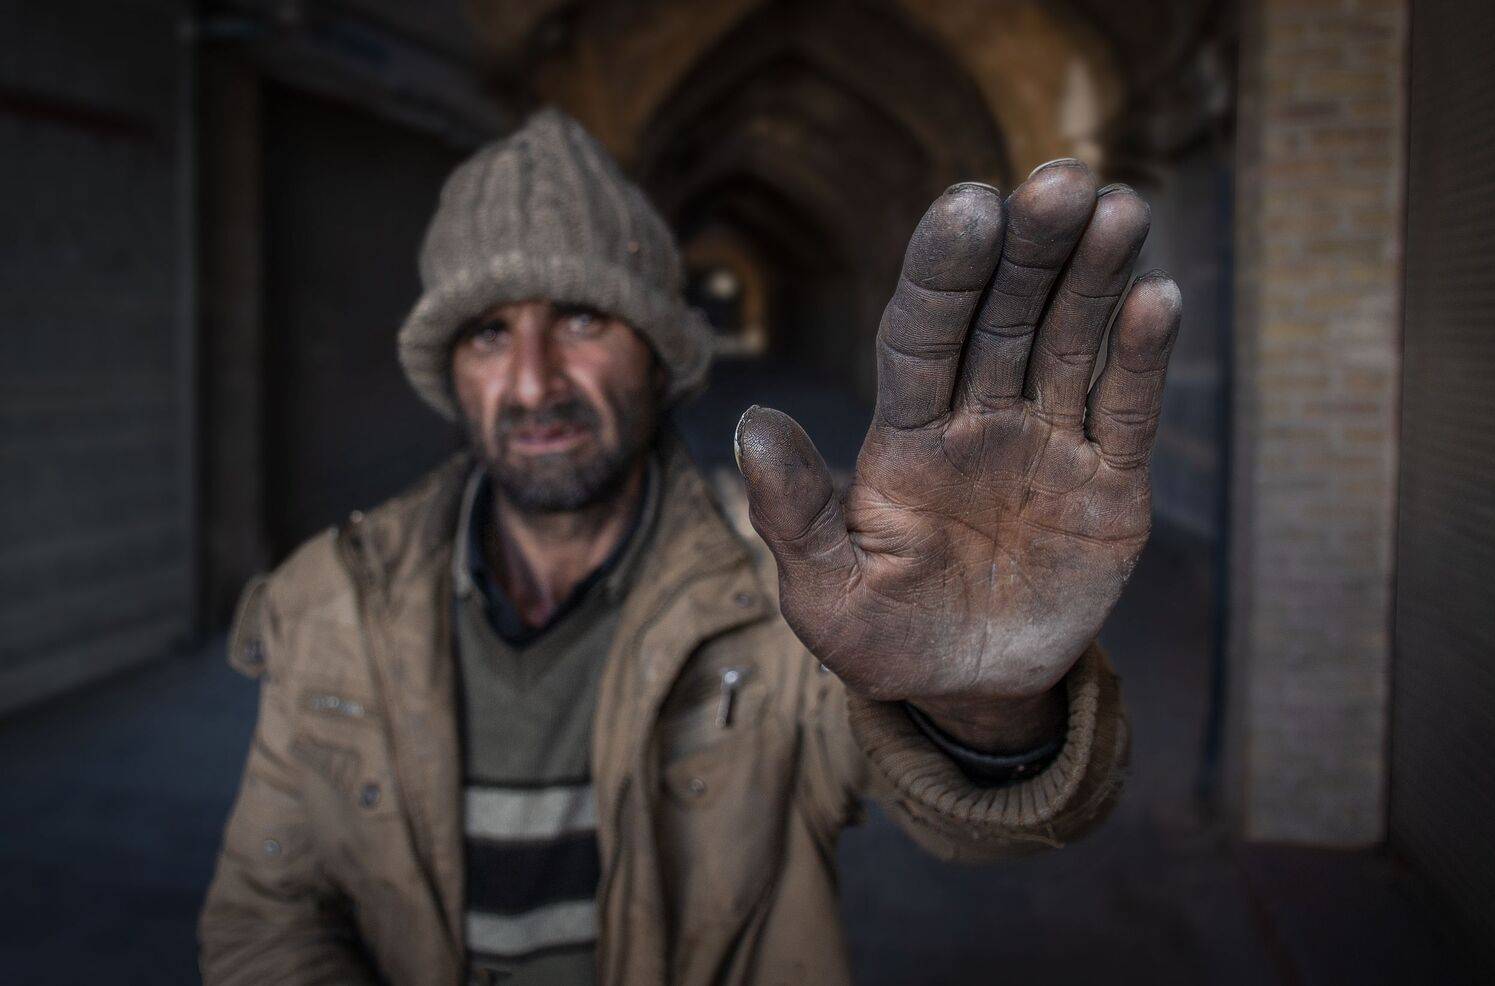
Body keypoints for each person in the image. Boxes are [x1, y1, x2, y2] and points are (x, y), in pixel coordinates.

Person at [199, 108, 1180, 986]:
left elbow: (986, 829)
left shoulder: (794, 587)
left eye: (582, 318)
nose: (534, 383)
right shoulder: (331, 599)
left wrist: (982, 703)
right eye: (489, 333)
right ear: (449, 370)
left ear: (662, 354)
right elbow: (265, 913)